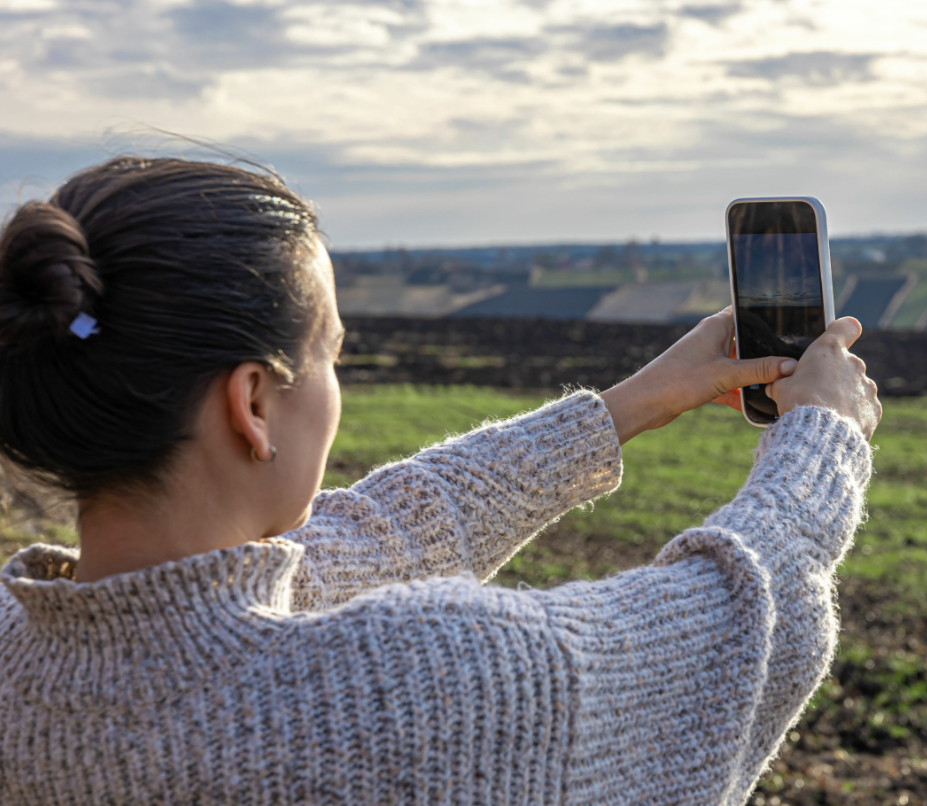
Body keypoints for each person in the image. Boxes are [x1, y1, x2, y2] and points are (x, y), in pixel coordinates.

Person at [0, 157, 880, 806]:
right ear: (253, 403)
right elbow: (734, 624)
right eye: (331, 354)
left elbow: (373, 537)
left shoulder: (18, 656)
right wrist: (823, 440)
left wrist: (629, 406)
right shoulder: (423, 683)